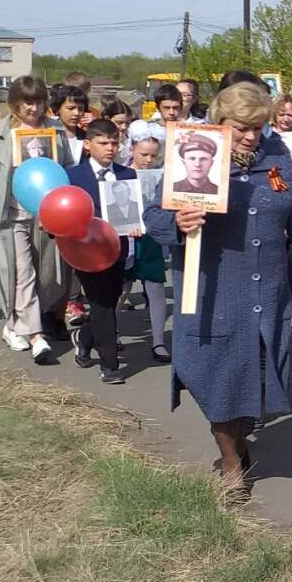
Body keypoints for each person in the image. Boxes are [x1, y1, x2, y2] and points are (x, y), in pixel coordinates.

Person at [144, 83, 292, 501]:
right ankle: (232, 460)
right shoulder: (193, 155)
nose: (251, 135)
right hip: (212, 289)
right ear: (218, 122)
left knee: (258, 371)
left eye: (258, 126)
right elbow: (154, 216)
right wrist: (177, 223)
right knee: (211, 374)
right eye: (241, 127)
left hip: (267, 290)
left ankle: (238, 432)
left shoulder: (276, 157)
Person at [0, 76, 69, 363]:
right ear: (14, 103)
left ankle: (14, 325)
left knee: (47, 277)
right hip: (9, 216)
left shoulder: (56, 131)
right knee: (21, 273)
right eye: (27, 102)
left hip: (46, 217)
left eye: (38, 101)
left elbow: (66, 171)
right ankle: (37, 337)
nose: (33, 108)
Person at [66, 118, 135, 384]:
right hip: (86, 250)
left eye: (114, 142)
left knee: (112, 296)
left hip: (118, 248)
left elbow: (133, 210)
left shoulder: (127, 174)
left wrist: (136, 225)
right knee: (101, 303)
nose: (110, 148)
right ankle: (110, 366)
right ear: (87, 144)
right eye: (103, 142)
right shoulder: (73, 176)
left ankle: (83, 338)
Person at [127, 135, 172, 362]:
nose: (148, 160)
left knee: (155, 287)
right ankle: (109, 332)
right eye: (144, 154)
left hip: (151, 237)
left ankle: (158, 341)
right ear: (132, 149)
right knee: (122, 287)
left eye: (154, 155)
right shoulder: (121, 174)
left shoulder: (161, 176)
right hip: (126, 238)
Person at [171, 129, 221, 196]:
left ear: (211, 163)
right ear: (184, 162)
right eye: (192, 158)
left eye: (203, 159)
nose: (197, 164)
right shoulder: (171, 188)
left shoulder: (220, 192)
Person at [271, 93, 292, 159]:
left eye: (290, 115)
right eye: (281, 115)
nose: (286, 119)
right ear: (275, 115)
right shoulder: (266, 136)